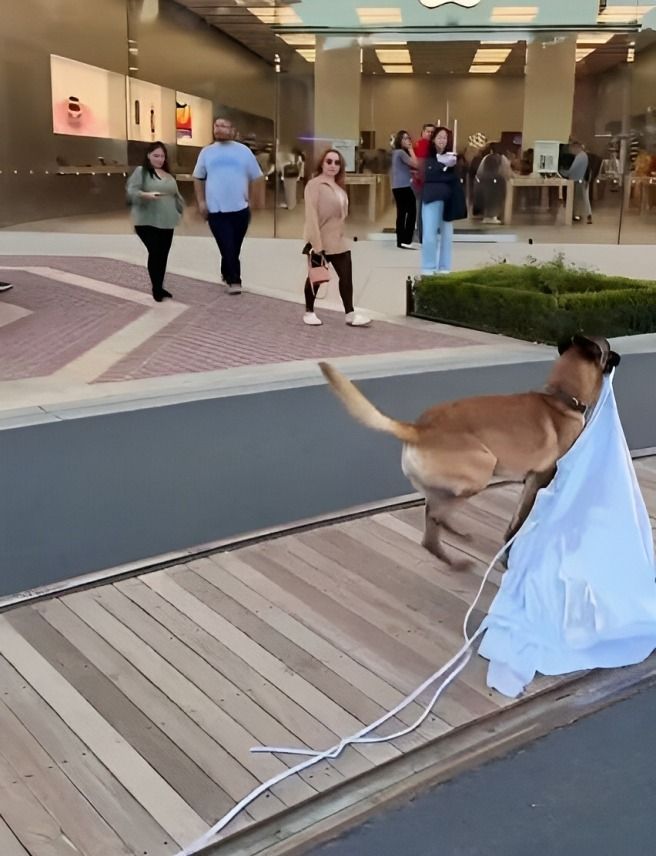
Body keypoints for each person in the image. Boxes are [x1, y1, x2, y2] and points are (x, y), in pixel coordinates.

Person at [193, 116, 264, 294]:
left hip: (240, 209)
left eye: (224, 125)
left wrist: (256, 201)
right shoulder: (207, 152)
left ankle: (226, 271)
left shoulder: (244, 151)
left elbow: (257, 176)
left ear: (233, 130)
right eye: (217, 125)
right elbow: (198, 177)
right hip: (216, 210)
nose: (220, 128)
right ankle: (235, 280)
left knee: (234, 246)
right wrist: (201, 202)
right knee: (227, 245)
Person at [301, 148, 371, 328]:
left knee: (346, 278)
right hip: (320, 239)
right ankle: (309, 311)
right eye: (329, 161)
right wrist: (316, 243)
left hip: (339, 240)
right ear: (322, 164)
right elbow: (311, 215)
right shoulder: (314, 185)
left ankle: (350, 313)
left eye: (337, 162)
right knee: (316, 278)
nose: (333, 166)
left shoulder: (339, 187)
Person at [126, 141, 184, 302]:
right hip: (146, 221)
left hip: (167, 221)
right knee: (156, 252)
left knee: (163, 255)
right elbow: (131, 191)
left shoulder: (169, 176)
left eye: (162, 156)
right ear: (148, 156)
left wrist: (182, 210)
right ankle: (156, 288)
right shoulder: (142, 172)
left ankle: (160, 286)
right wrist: (145, 195)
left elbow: (176, 196)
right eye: (156, 155)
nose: (159, 159)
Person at [420, 126, 467, 276]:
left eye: (445, 138)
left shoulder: (453, 158)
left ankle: (445, 267)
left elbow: (456, 177)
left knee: (447, 236)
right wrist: (443, 166)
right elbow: (427, 176)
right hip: (431, 199)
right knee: (429, 235)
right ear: (433, 139)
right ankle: (428, 267)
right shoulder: (428, 157)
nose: (442, 140)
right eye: (439, 137)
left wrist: (442, 170)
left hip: (448, 200)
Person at [390, 130, 418, 249]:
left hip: (398, 187)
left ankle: (401, 240)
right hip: (403, 187)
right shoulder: (401, 152)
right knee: (411, 212)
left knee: (401, 213)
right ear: (399, 140)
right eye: (404, 138)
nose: (408, 141)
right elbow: (416, 164)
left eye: (408, 138)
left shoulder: (396, 153)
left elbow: (402, 169)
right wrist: (411, 150)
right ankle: (406, 239)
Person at [476, 144, 513, 225]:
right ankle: (493, 216)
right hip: (496, 180)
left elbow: (480, 171)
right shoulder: (500, 158)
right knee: (496, 198)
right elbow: (506, 172)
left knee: (488, 198)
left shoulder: (486, 158)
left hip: (485, 180)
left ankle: (487, 216)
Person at [412, 123, 436, 241]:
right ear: (423, 132)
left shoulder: (433, 147)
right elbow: (419, 164)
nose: (430, 134)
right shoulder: (421, 145)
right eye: (428, 131)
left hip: (430, 183)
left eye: (432, 132)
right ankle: (423, 235)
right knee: (422, 210)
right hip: (422, 183)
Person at [561, 140, 592, 224]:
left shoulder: (580, 157)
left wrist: (562, 172)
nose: (571, 151)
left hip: (579, 180)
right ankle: (587, 215)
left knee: (578, 199)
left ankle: (577, 215)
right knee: (584, 198)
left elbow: (572, 170)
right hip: (582, 180)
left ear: (576, 147)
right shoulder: (583, 155)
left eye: (571, 149)